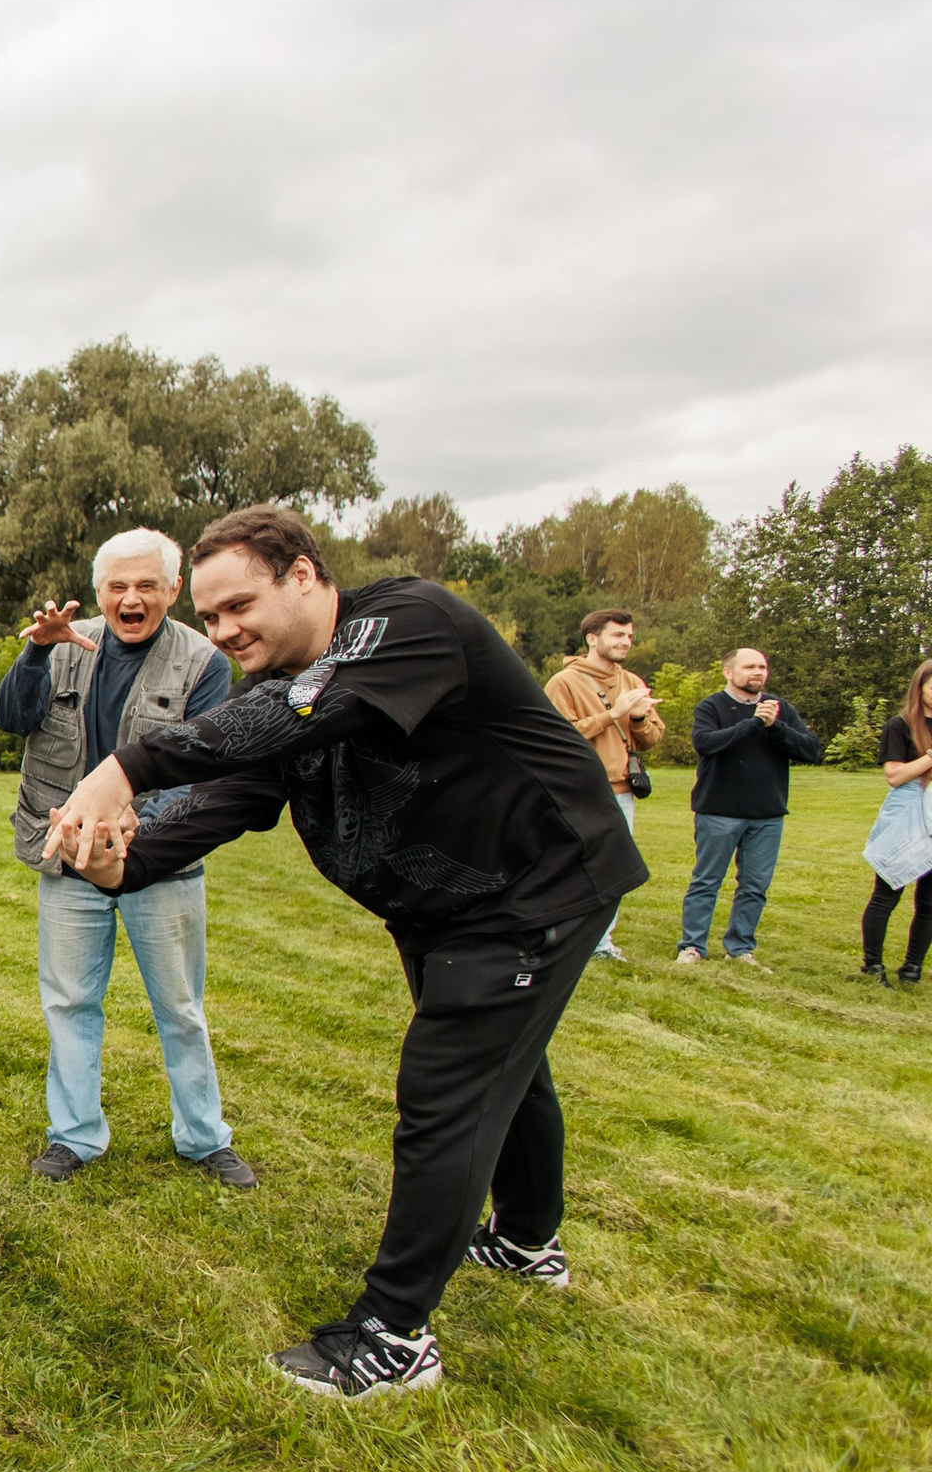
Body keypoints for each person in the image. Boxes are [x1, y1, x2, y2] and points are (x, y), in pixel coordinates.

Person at [48, 505, 646, 1401]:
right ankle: (527, 1241)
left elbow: (295, 715)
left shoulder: (406, 625)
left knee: (448, 1093)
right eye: (208, 618)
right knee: (509, 1072)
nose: (222, 631)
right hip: (446, 907)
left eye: (237, 605)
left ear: (302, 574)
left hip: (533, 887)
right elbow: (232, 793)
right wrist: (117, 864)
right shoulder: (281, 699)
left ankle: (394, 1336)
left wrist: (123, 766)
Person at [0, 526, 245, 1189]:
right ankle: (74, 1136)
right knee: (71, 1002)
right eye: (118, 586)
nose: (131, 599)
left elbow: (205, 771)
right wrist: (34, 655)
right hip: (68, 858)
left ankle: (203, 1138)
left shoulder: (203, 662)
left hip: (158, 862)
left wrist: (136, 836)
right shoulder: (64, 648)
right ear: (99, 591)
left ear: (173, 590)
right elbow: (12, 718)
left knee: (180, 1008)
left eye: (146, 586)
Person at [677, 648, 821, 966]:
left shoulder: (779, 709)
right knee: (706, 880)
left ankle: (740, 948)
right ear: (728, 672)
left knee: (755, 885)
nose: (758, 672)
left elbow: (811, 750)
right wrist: (754, 723)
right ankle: (692, 946)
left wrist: (775, 726)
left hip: (767, 813)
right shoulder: (711, 706)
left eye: (762, 666)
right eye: (749, 666)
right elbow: (706, 743)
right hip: (718, 810)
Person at [542, 609, 665, 962]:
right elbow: (556, 738)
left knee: (614, 873)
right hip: (577, 793)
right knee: (569, 869)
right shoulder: (564, 682)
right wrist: (613, 713)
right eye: (617, 636)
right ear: (592, 639)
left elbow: (652, 738)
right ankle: (558, 937)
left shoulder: (633, 682)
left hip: (623, 793)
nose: (625, 642)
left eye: (629, 636)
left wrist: (638, 718)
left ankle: (600, 944)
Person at [860, 658, 932, 985]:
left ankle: (912, 969)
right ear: (920, 687)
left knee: (929, 903)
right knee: (887, 894)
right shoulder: (900, 725)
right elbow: (894, 775)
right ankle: (873, 966)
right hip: (906, 817)